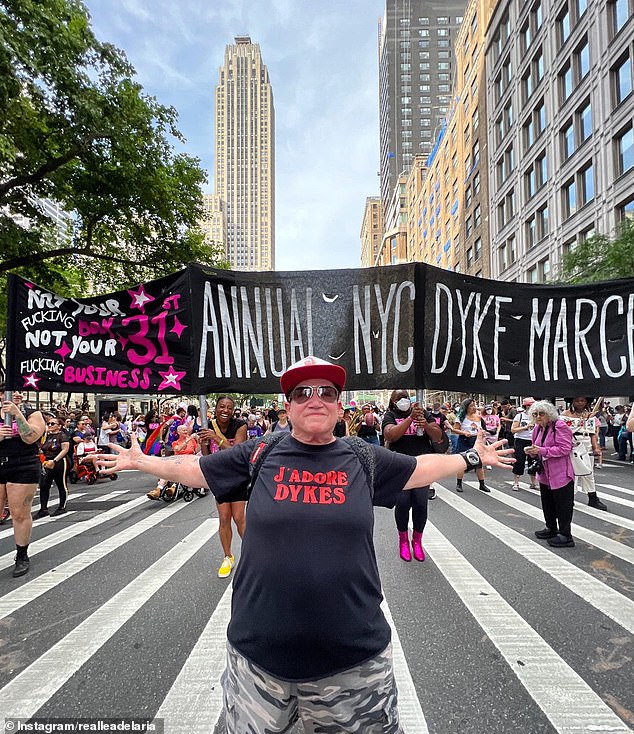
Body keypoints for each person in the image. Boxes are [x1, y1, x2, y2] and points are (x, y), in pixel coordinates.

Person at [95, 356, 514, 734]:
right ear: (289, 405)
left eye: (327, 392)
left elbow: (421, 467)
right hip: (258, 660)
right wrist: (143, 461)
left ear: (338, 406)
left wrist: (470, 458)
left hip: (353, 662)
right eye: (302, 392)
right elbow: (196, 468)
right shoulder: (260, 452)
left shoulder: (362, 457)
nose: (316, 399)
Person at [382, 390, 443, 561]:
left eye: (406, 398)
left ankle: (417, 541)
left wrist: (426, 425)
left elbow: (438, 436)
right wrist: (410, 420)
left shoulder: (423, 413)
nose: (404, 401)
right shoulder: (390, 415)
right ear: (393, 402)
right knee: (402, 503)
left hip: (421, 467)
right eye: (399, 398)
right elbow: (390, 435)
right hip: (400, 467)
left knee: (420, 504)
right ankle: (403, 541)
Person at [198, 396, 247, 579]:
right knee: (224, 517)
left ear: (233, 410)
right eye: (221, 407)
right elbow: (206, 457)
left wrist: (216, 438)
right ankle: (228, 557)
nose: (224, 410)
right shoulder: (207, 425)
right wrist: (203, 443)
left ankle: (253, 554)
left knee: (239, 518)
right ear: (215, 408)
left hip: (238, 476)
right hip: (220, 477)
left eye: (228, 407)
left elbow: (238, 452)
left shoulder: (240, 425)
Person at [0, 387, 46, 577]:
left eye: (20, 391)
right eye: (12, 391)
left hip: (23, 465)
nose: (17, 394)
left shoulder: (32, 413)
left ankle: (21, 555)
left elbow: (31, 437)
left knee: (19, 512)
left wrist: (17, 414)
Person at [524, 400, 576, 548]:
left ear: (549, 414)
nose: (538, 417)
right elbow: (536, 446)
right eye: (535, 414)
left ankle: (566, 534)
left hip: (561, 472)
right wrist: (532, 451)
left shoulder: (559, 426)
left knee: (563, 505)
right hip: (545, 472)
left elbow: (565, 448)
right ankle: (551, 528)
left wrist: (541, 451)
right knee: (547, 502)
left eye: (542, 414)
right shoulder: (538, 428)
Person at [561, 397, 608, 510]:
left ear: (586, 402)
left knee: (589, 472)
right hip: (572, 444)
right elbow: (561, 432)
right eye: (577, 400)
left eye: (582, 401)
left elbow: (593, 434)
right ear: (572, 402)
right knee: (573, 473)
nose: (580, 403)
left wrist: (596, 447)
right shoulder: (564, 415)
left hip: (587, 445)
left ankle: (592, 497)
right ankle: (569, 499)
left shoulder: (590, 415)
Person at [453, 398, 490, 493]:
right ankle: (459, 483)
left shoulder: (478, 417)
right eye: (471, 406)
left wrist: (483, 433)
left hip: (476, 440)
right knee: (462, 463)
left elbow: (483, 429)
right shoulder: (461, 417)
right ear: (466, 407)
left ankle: (482, 484)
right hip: (465, 440)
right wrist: (464, 433)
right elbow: (455, 429)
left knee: (479, 463)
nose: (474, 407)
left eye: (474, 405)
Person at [37, 416, 71, 518]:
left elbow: (65, 449)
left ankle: (62, 507)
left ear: (59, 426)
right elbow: (42, 448)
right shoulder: (47, 436)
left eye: (53, 424)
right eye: (49, 424)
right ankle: (43, 508)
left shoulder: (62, 435)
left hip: (59, 461)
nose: (50, 426)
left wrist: (55, 460)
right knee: (44, 485)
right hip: (47, 461)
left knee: (61, 484)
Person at [510, 397, 538, 491]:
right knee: (519, 461)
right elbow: (513, 430)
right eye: (530, 406)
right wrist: (525, 427)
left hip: (533, 440)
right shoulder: (520, 416)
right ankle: (516, 482)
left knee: (533, 461)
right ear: (525, 406)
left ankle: (534, 483)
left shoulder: (537, 416)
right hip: (521, 440)